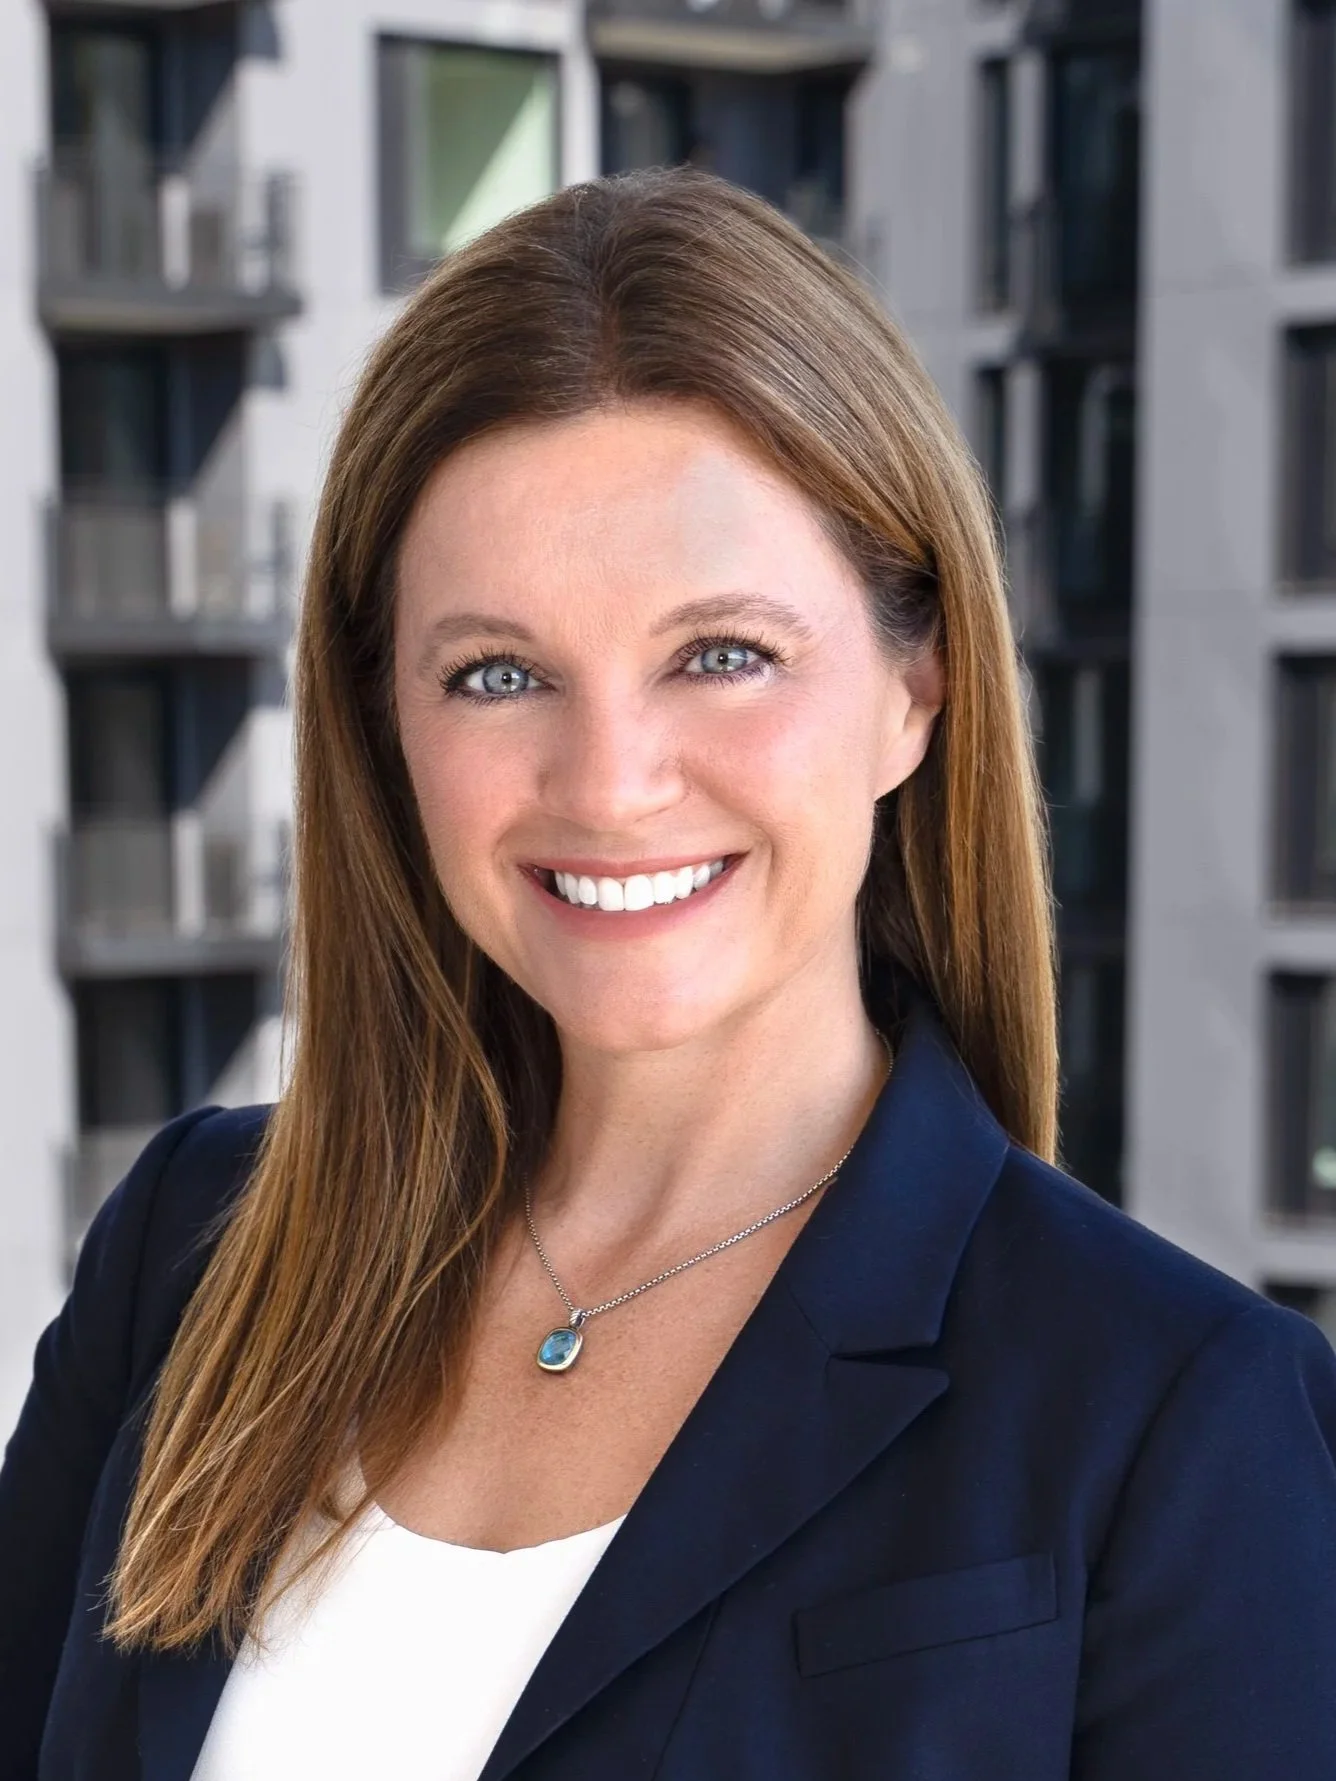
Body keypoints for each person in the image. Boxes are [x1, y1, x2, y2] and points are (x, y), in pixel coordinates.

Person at [3, 165, 1335, 1781]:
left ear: (914, 690)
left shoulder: (1175, 1419)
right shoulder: (191, 1254)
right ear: (383, 725)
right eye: (497, 673)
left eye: (721, 655)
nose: (611, 781)